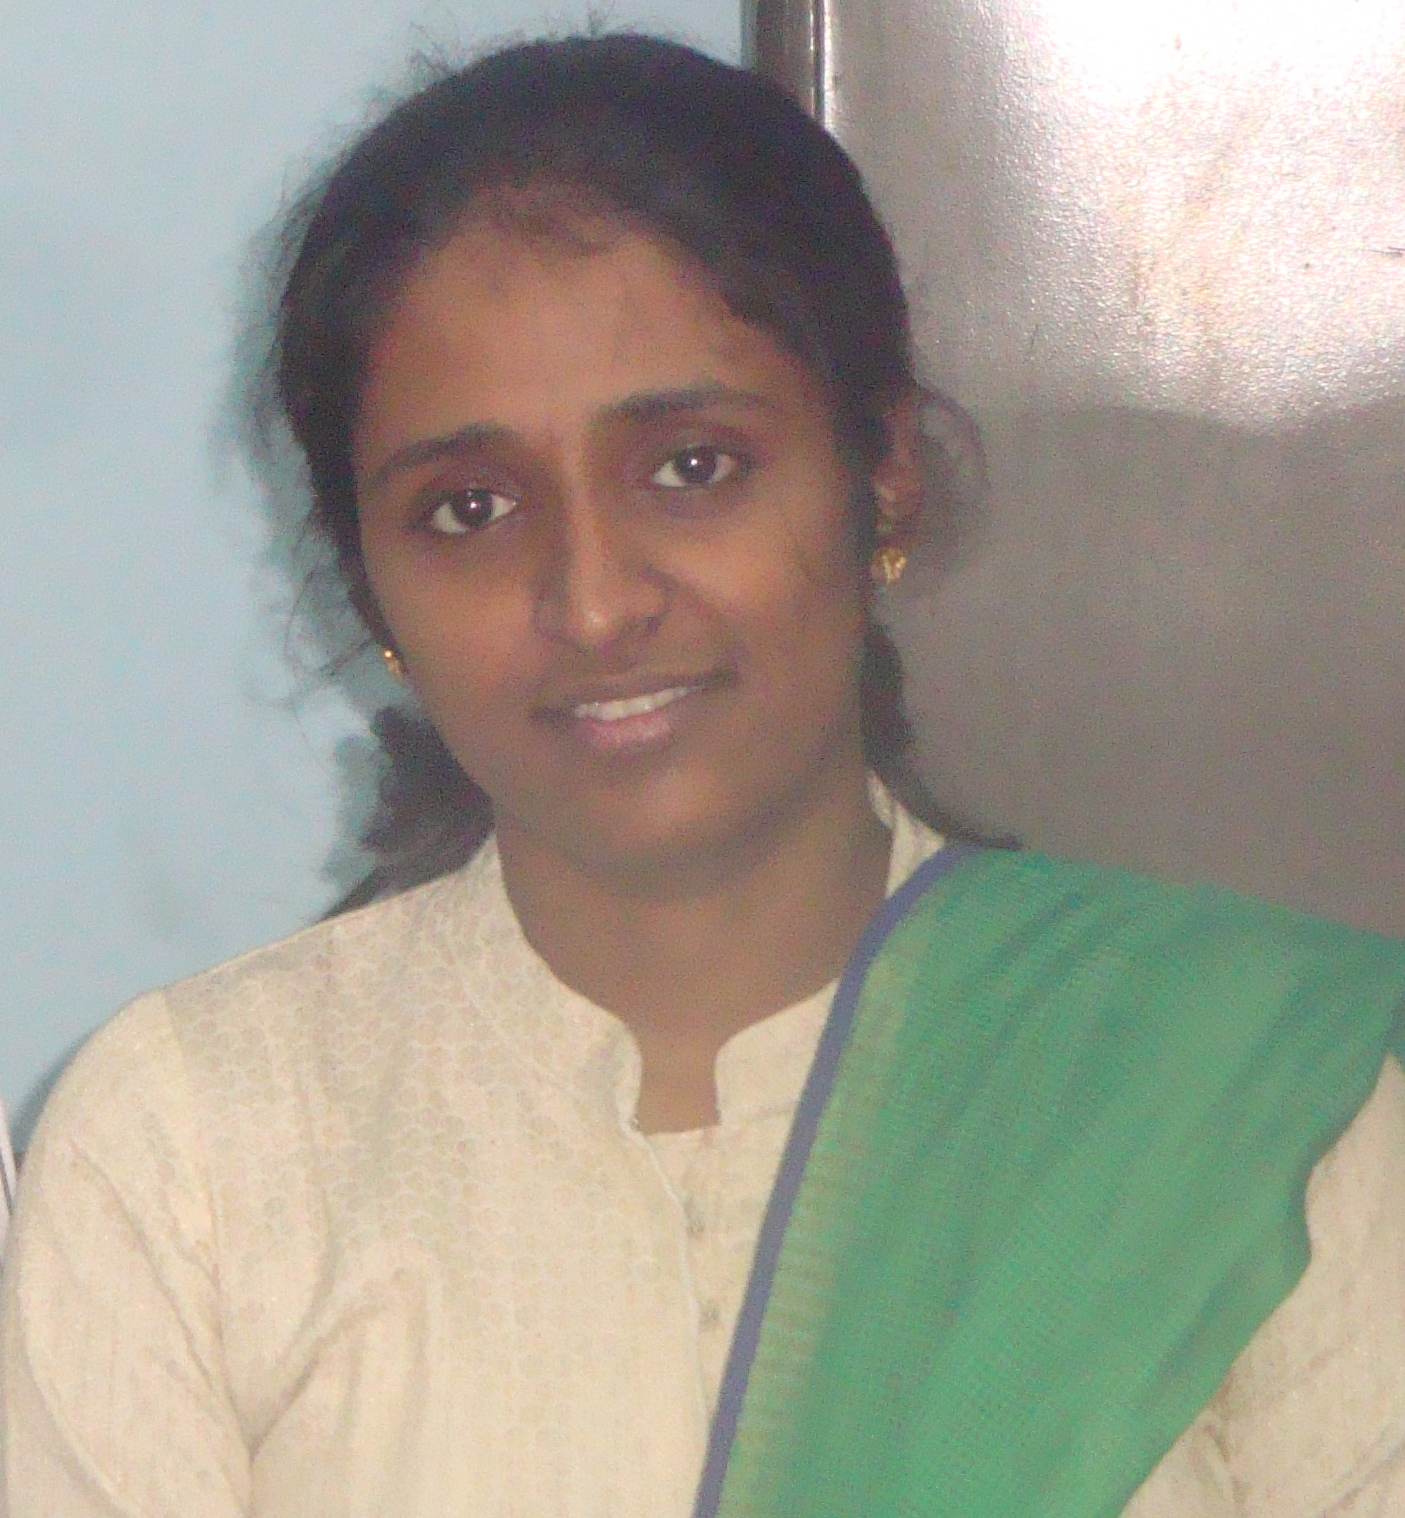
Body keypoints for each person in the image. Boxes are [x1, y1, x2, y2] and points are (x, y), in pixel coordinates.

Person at [3, 33, 1405, 1518]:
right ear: (371, 589)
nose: (595, 601)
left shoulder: (1254, 1111)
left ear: (881, 476)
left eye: (691, 466)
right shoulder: (195, 1151)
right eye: (469, 507)